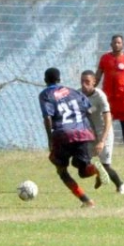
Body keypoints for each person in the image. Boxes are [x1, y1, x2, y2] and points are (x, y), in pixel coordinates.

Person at [40, 67, 102, 208]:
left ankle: (87, 201)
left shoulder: (45, 94)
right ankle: (95, 169)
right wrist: (92, 134)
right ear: (59, 79)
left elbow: (47, 117)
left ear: (45, 80)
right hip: (82, 132)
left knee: (62, 171)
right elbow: (88, 110)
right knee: (83, 170)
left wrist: (50, 139)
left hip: (62, 134)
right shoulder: (74, 92)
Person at [79, 70, 124, 194]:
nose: (84, 85)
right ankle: (99, 174)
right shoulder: (78, 95)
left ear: (94, 82)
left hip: (104, 133)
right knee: (82, 166)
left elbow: (108, 119)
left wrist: (102, 141)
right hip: (89, 134)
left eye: (87, 82)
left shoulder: (100, 96)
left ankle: (121, 185)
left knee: (105, 166)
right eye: (82, 81)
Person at [95, 34, 124, 152]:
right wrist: (92, 86)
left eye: (119, 42)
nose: (116, 44)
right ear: (111, 44)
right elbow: (99, 74)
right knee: (106, 120)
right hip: (107, 96)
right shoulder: (105, 58)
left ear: (122, 44)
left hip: (122, 97)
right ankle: (105, 144)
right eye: (114, 42)